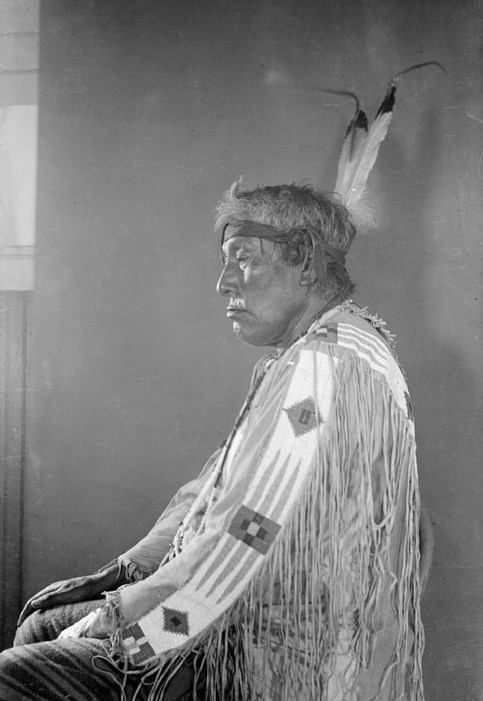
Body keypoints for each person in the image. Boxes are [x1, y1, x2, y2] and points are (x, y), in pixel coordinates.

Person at [0, 182, 425, 701]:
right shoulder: (338, 348)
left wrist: (119, 622)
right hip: (251, 616)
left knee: (15, 672)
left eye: (243, 259)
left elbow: (245, 540)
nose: (223, 283)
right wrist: (126, 571)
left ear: (304, 260)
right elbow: (211, 490)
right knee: (44, 625)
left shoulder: (321, 371)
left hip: (274, 656)